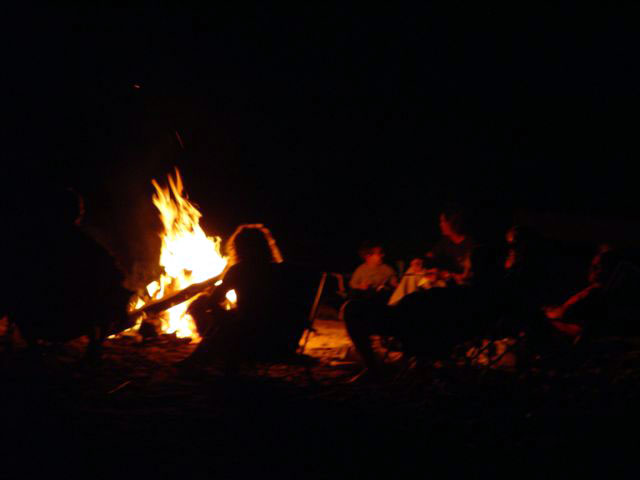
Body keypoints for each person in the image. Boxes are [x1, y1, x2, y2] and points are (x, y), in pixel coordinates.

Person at [185, 224, 314, 371]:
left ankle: (205, 356)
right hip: (283, 342)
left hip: (248, 340)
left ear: (238, 248)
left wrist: (224, 315)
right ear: (266, 246)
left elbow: (212, 302)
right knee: (236, 318)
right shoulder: (283, 272)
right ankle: (202, 354)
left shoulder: (238, 271)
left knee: (201, 303)